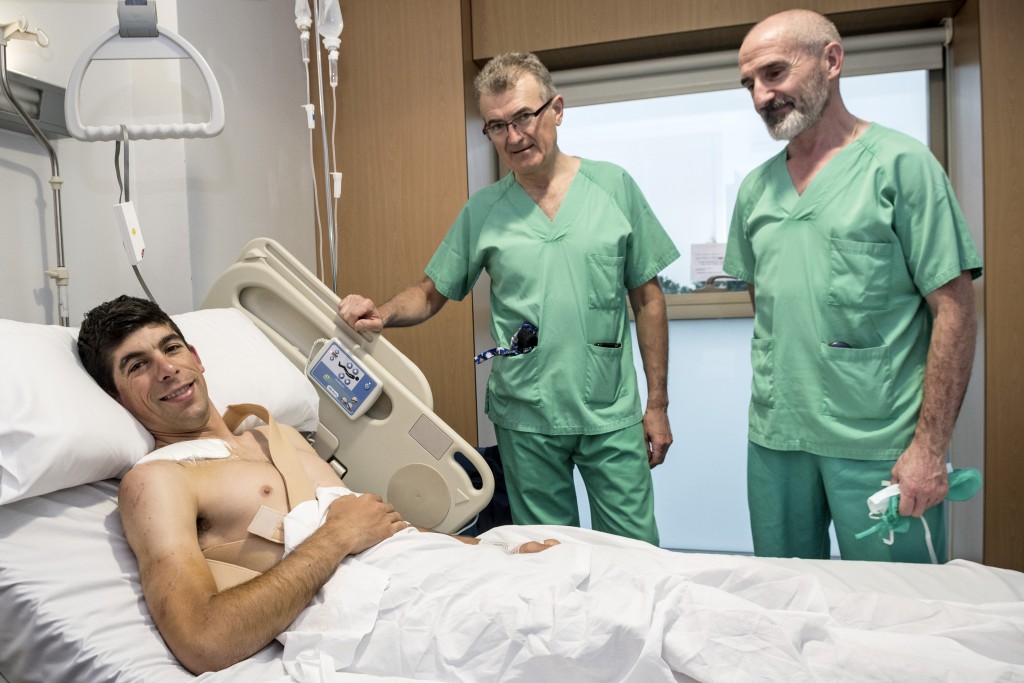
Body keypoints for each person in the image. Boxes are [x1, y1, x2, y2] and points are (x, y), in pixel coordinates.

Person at [75, 295, 558, 674]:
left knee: (591, 578)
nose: (166, 368)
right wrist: (336, 536)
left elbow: (381, 530)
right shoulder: (157, 481)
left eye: (171, 347)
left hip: (432, 575)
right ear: (116, 397)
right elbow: (203, 641)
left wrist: (486, 553)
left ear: (197, 357)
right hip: (390, 616)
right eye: (136, 366)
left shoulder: (276, 435)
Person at [338, 52, 679, 546]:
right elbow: (433, 291)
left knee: (635, 553)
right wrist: (383, 312)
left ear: (556, 109)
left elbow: (648, 301)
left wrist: (658, 404)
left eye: (524, 117)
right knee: (547, 557)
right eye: (497, 126)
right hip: (527, 414)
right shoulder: (486, 210)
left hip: (609, 411)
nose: (514, 137)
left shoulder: (614, 187)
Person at [723, 9, 982, 562]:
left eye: (773, 73)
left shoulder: (901, 165)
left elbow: (955, 308)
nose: (760, 96)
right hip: (777, 439)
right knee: (785, 602)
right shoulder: (755, 191)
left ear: (831, 61)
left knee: (899, 616)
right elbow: (766, 308)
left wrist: (929, 448)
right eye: (749, 83)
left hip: (879, 444)